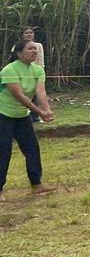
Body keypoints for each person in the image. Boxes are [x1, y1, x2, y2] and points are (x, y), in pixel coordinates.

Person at [0, 39, 55, 201]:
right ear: (19, 53)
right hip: (3, 114)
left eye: (35, 49)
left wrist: (47, 110)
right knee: (3, 151)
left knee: (32, 149)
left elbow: (41, 93)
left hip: (22, 116)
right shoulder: (9, 70)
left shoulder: (38, 70)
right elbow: (19, 96)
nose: (34, 51)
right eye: (30, 49)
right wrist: (39, 112)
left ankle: (37, 184)